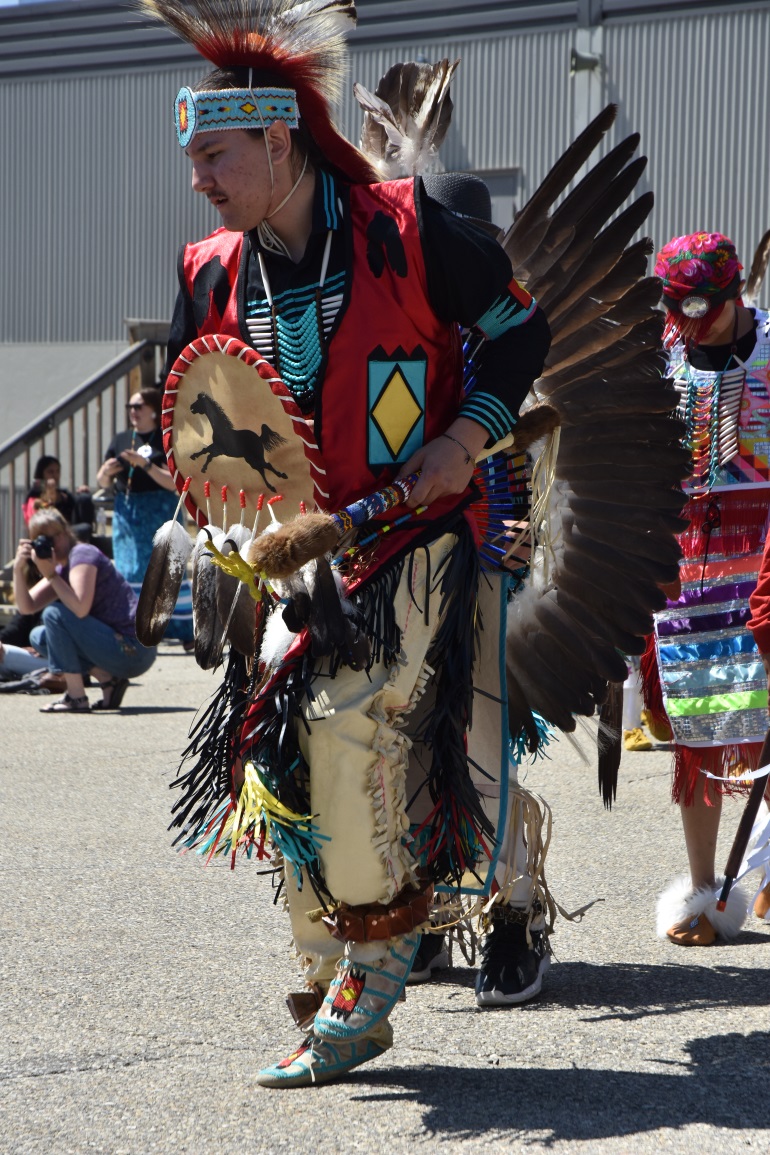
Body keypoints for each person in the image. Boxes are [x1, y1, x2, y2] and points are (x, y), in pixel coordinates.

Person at [142, 0, 549, 1086]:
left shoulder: (405, 228)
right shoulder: (212, 271)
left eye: (214, 154)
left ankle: (374, 963)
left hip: (414, 529)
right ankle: (323, 956)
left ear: (279, 139)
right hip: (293, 546)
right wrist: (218, 517)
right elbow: (185, 406)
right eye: (192, 157)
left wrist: (466, 437)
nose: (198, 178)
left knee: (343, 718)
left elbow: (519, 328)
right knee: (272, 750)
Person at [645, 233, 770, 945]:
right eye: (680, 314)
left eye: (705, 312)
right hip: (688, 567)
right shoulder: (663, 360)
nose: (692, 329)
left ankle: (765, 873)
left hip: (765, 554)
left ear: (735, 296)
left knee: (766, 724)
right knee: (699, 729)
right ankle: (704, 889)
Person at [12, 508, 157, 712]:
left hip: (135, 649)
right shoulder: (61, 569)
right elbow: (26, 607)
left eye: (51, 539)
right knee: (40, 637)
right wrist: (18, 569)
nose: (48, 546)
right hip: (117, 649)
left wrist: (52, 576)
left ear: (64, 533)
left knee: (54, 614)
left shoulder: (83, 554)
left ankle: (76, 697)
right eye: (40, 542)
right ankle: (108, 680)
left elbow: (80, 609)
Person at [96, 387, 193, 646]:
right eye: (130, 407)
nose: (133, 412)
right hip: (128, 513)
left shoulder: (164, 439)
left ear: (153, 410)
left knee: (166, 566)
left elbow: (173, 483)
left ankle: (180, 629)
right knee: (131, 569)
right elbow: (102, 481)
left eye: (138, 407)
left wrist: (145, 465)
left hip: (160, 509)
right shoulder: (121, 438)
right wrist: (106, 472)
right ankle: (136, 626)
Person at [22, 455, 93, 539]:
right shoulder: (34, 497)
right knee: (84, 529)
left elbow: (74, 510)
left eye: (57, 471)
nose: (55, 475)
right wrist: (49, 497)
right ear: (42, 474)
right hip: (50, 533)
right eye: (50, 472)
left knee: (84, 499)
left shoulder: (63, 494)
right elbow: (39, 521)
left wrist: (81, 493)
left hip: (68, 530)